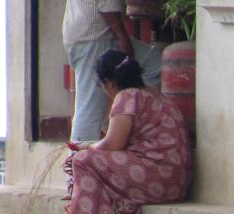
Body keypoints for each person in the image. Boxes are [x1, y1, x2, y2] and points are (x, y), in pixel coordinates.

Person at [65, 49, 192, 214]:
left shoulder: (127, 97)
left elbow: (113, 144)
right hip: (177, 182)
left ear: (108, 83)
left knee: (82, 162)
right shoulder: (155, 94)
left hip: (158, 178)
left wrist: (86, 147)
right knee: (93, 163)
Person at [63, 1, 162, 144]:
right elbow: (106, 4)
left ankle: (127, 124)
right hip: (94, 37)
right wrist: (122, 37)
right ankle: (77, 157)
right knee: (89, 106)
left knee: (153, 61)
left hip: (92, 35)